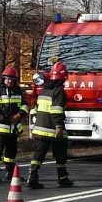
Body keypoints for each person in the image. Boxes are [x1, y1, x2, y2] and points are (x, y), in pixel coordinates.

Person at [26, 61, 74, 189]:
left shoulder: (44, 89)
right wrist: (58, 126)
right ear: (64, 77)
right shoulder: (59, 91)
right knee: (61, 152)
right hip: (53, 128)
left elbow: (37, 108)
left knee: (39, 153)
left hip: (41, 127)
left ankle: (32, 177)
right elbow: (56, 110)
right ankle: (62, 178)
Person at [0, 66, 28, 183]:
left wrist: (20, 114)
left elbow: (25, 105)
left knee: (11, 153)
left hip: (13, 128)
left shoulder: (18, 91)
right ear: (3, 79)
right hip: (0, 128)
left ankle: (10, 173)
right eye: (8, 79)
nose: (10, 81)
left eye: (12, 79)